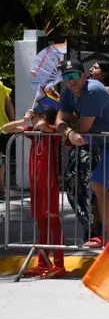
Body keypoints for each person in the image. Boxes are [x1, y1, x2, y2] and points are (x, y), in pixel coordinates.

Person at [55, 59, 109, 249]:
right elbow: (60, 119)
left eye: (75, 75)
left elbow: (82, 127)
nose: (71, 80)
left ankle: (108, 241)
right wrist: (69, 132)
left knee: (98, 184)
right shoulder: (67, 92)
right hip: (104, 144)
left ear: (84, 76)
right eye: (66, 76)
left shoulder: (93, 90)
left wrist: (67, 130)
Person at [2, 98, 65, 278]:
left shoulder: (52, 132)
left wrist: (40, 123)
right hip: (37, 187)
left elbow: (50, 128)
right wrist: (23, 121)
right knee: (41, 224)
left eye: (34, 115)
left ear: (43, 116)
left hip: (49, 186)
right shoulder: (34, 132)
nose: (31, 118)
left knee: (53, 223)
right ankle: (42, 263)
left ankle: (59, 264)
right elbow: (6, 128)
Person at [0, 76, 13, 199]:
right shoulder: (0, 85)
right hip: (2, 127)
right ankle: (1, 190)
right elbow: (8, 101)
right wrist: (12, 121)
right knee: (0, 159)